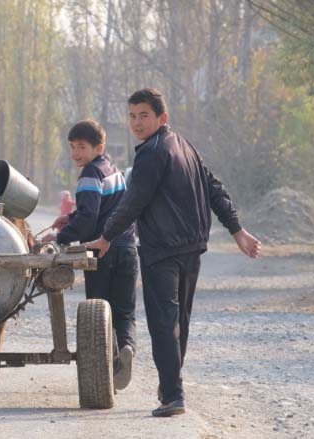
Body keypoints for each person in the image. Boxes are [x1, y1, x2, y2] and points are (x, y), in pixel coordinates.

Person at [84, 88, 261, 417]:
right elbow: (216, 190)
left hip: (163, 251)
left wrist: (106, 236)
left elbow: (134, 200)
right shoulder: (185, 146)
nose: (136, 123)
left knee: (164, 324)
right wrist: (236, 230)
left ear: (161, 118)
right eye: (132, 116)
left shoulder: (152, 152)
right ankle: (170, 389)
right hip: (191, 249)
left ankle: (173, 396)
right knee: (178, 321)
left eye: (144, 116)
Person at [41, 119, 138, 390]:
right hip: (128, 248)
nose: (76, 153)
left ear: (99, 147)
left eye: (82, 147)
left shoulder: (88, 175)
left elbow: (89, 218)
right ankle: (128, 347)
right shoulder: (113, 170)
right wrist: (70, 216)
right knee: (124, 311)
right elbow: (106, 208)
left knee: (100, 312)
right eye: (72, 147)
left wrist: (59, 236)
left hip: (101, 251)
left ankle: (113, 361)